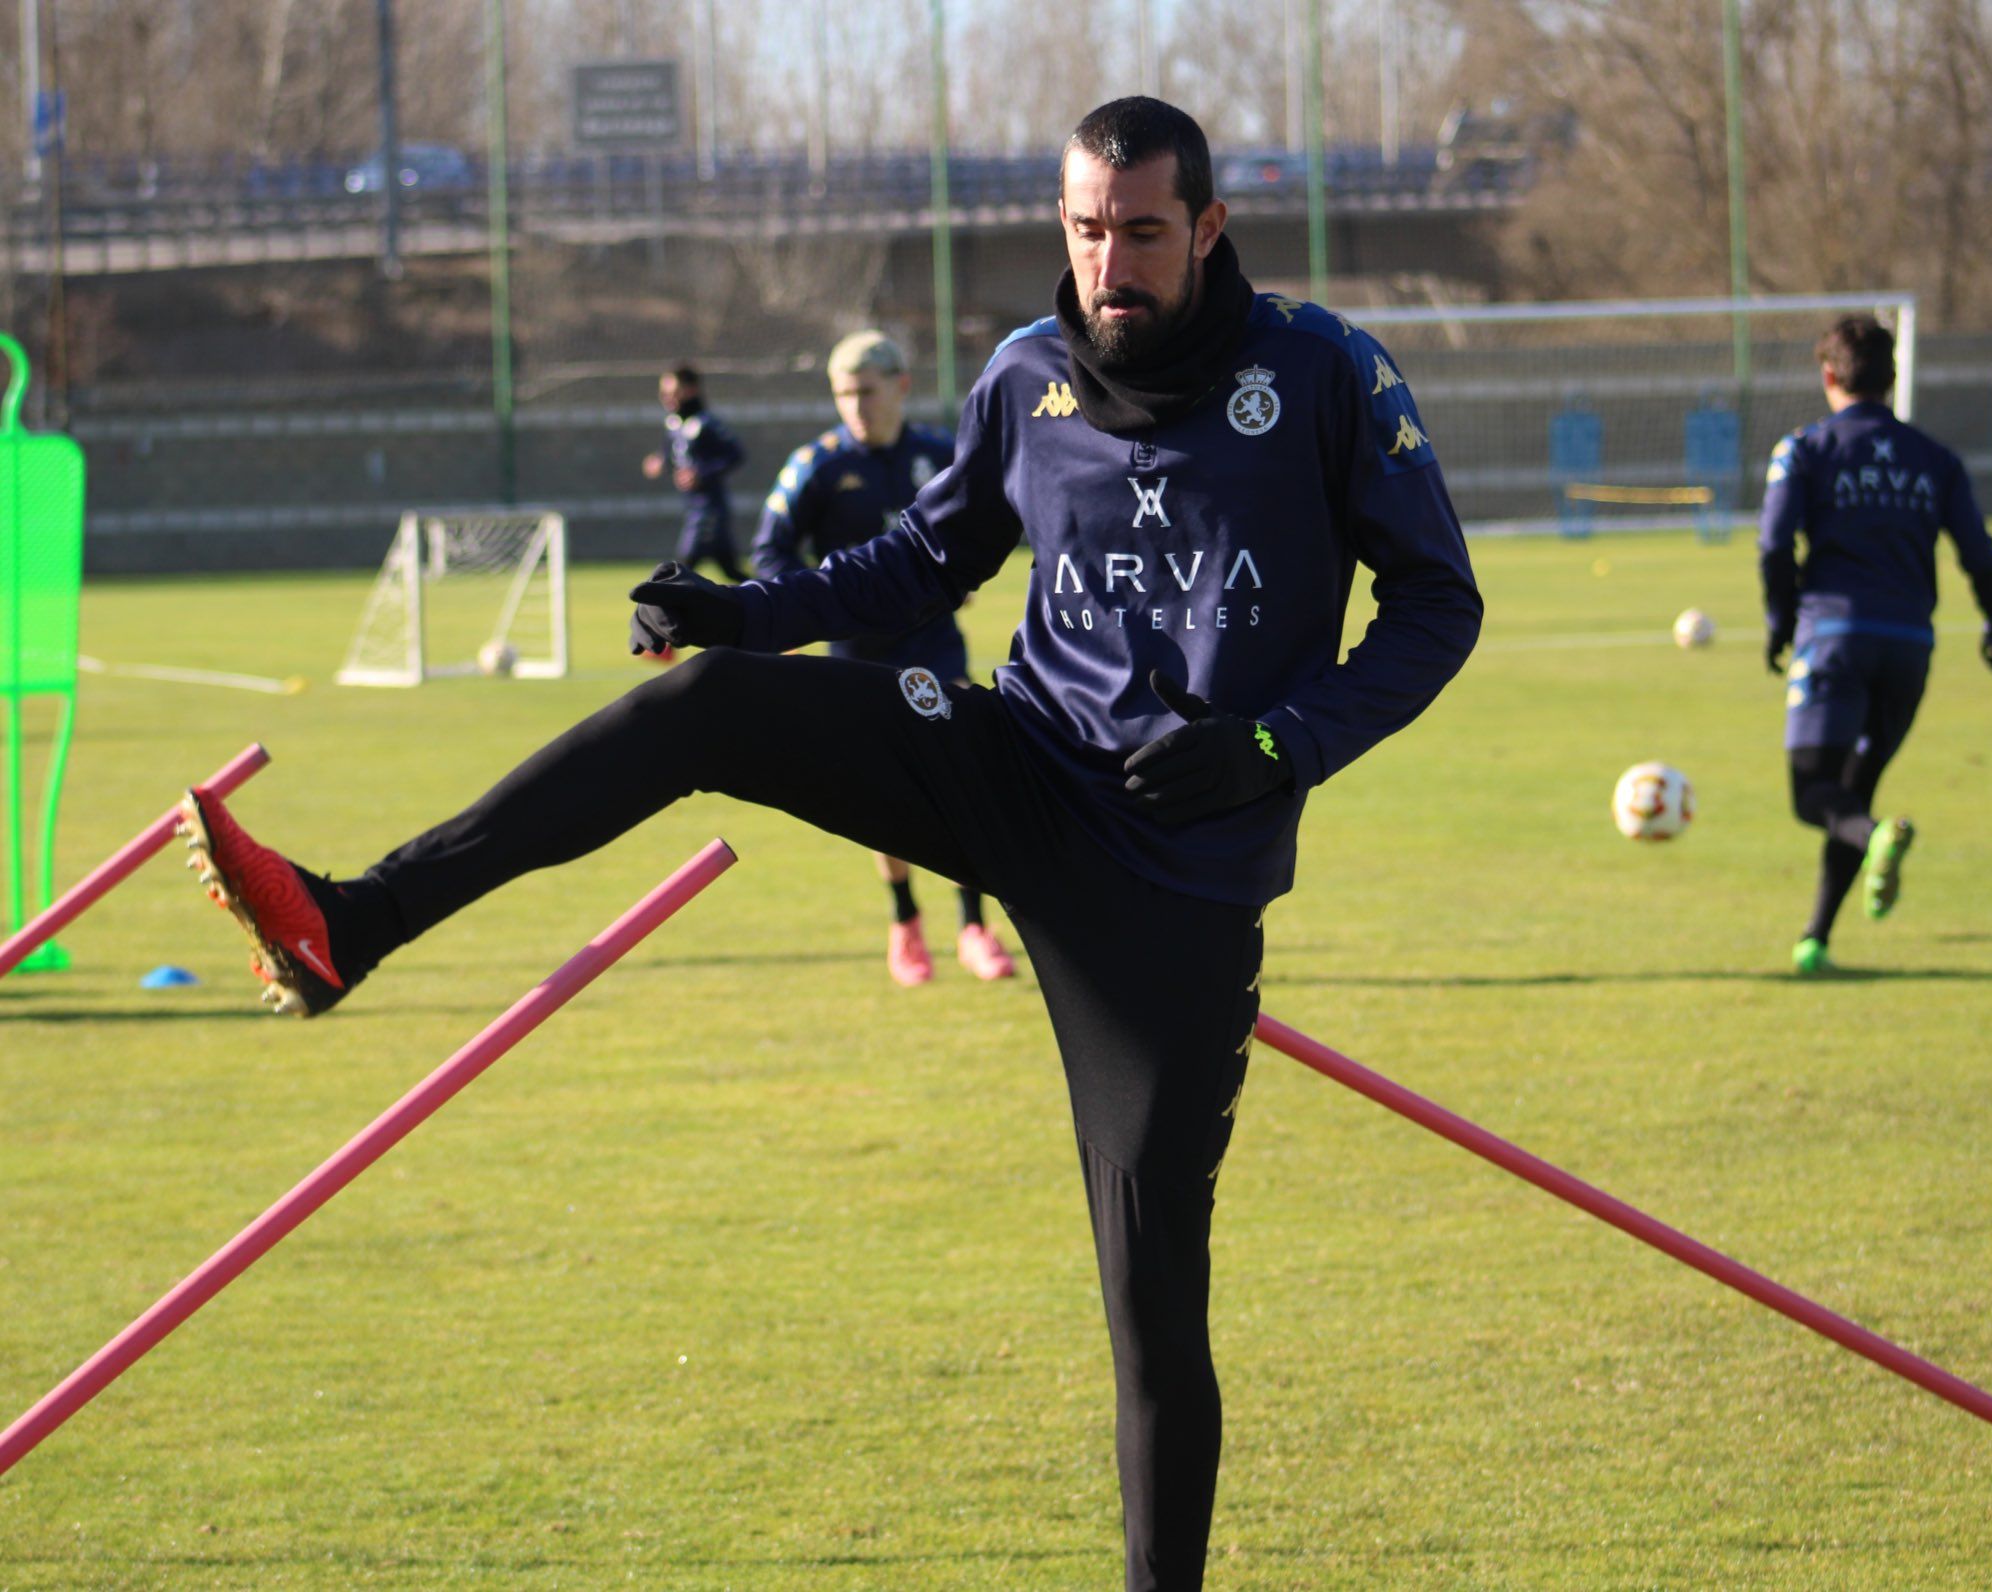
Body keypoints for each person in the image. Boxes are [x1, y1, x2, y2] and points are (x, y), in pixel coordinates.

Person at [179, 97, 1481, 1592]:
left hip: (1179, 879)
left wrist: (1271, 744)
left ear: (1207, 228)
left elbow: (1438, 606)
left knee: (1152, 1313)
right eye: (1082, 228)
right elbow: (928, 556)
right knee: (717, 704)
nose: (1107, 262)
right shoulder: (1026, 374)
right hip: (1013, 766)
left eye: (1137, 231)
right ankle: (354, 920)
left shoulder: (1320, 374)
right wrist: (750, 609)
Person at [754, 328, 1016, 985]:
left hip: (934, 647)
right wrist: (815, 605)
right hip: (857, 658)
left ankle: (974, 927)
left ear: (901, 385)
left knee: (964, 783)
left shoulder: (940, 453)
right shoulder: (816, 464)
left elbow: (989, 524)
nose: (854, 406)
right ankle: (905, 924)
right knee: (885, 797)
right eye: (843, 394)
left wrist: (958, 579)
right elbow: (771, 552)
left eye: (866, 391)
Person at [1759, 313, 1992, 975]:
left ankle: (1875, 841)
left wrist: (1779, 621)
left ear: (1827, 375)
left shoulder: (1806, 449)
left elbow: (1772, 543)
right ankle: (1816, 939)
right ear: (1893, 377)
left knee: (1815, 795)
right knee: (1854, 791)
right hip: (1910, 647)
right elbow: (1978, 554)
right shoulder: (1936, 458)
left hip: (1836, 639)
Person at [641, 363, 747, 581]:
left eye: (673, 392)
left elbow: (736, 454)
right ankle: (773, 601)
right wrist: (660, 460)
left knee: (679, 572)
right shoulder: (674, 423)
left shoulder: (708, 424)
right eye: (664, 393)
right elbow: (672, 452)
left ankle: (671, 614)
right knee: (732, 572)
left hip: (709, 511)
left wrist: (702, 474)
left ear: (691, 390)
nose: (667, 398)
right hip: (693, 508)